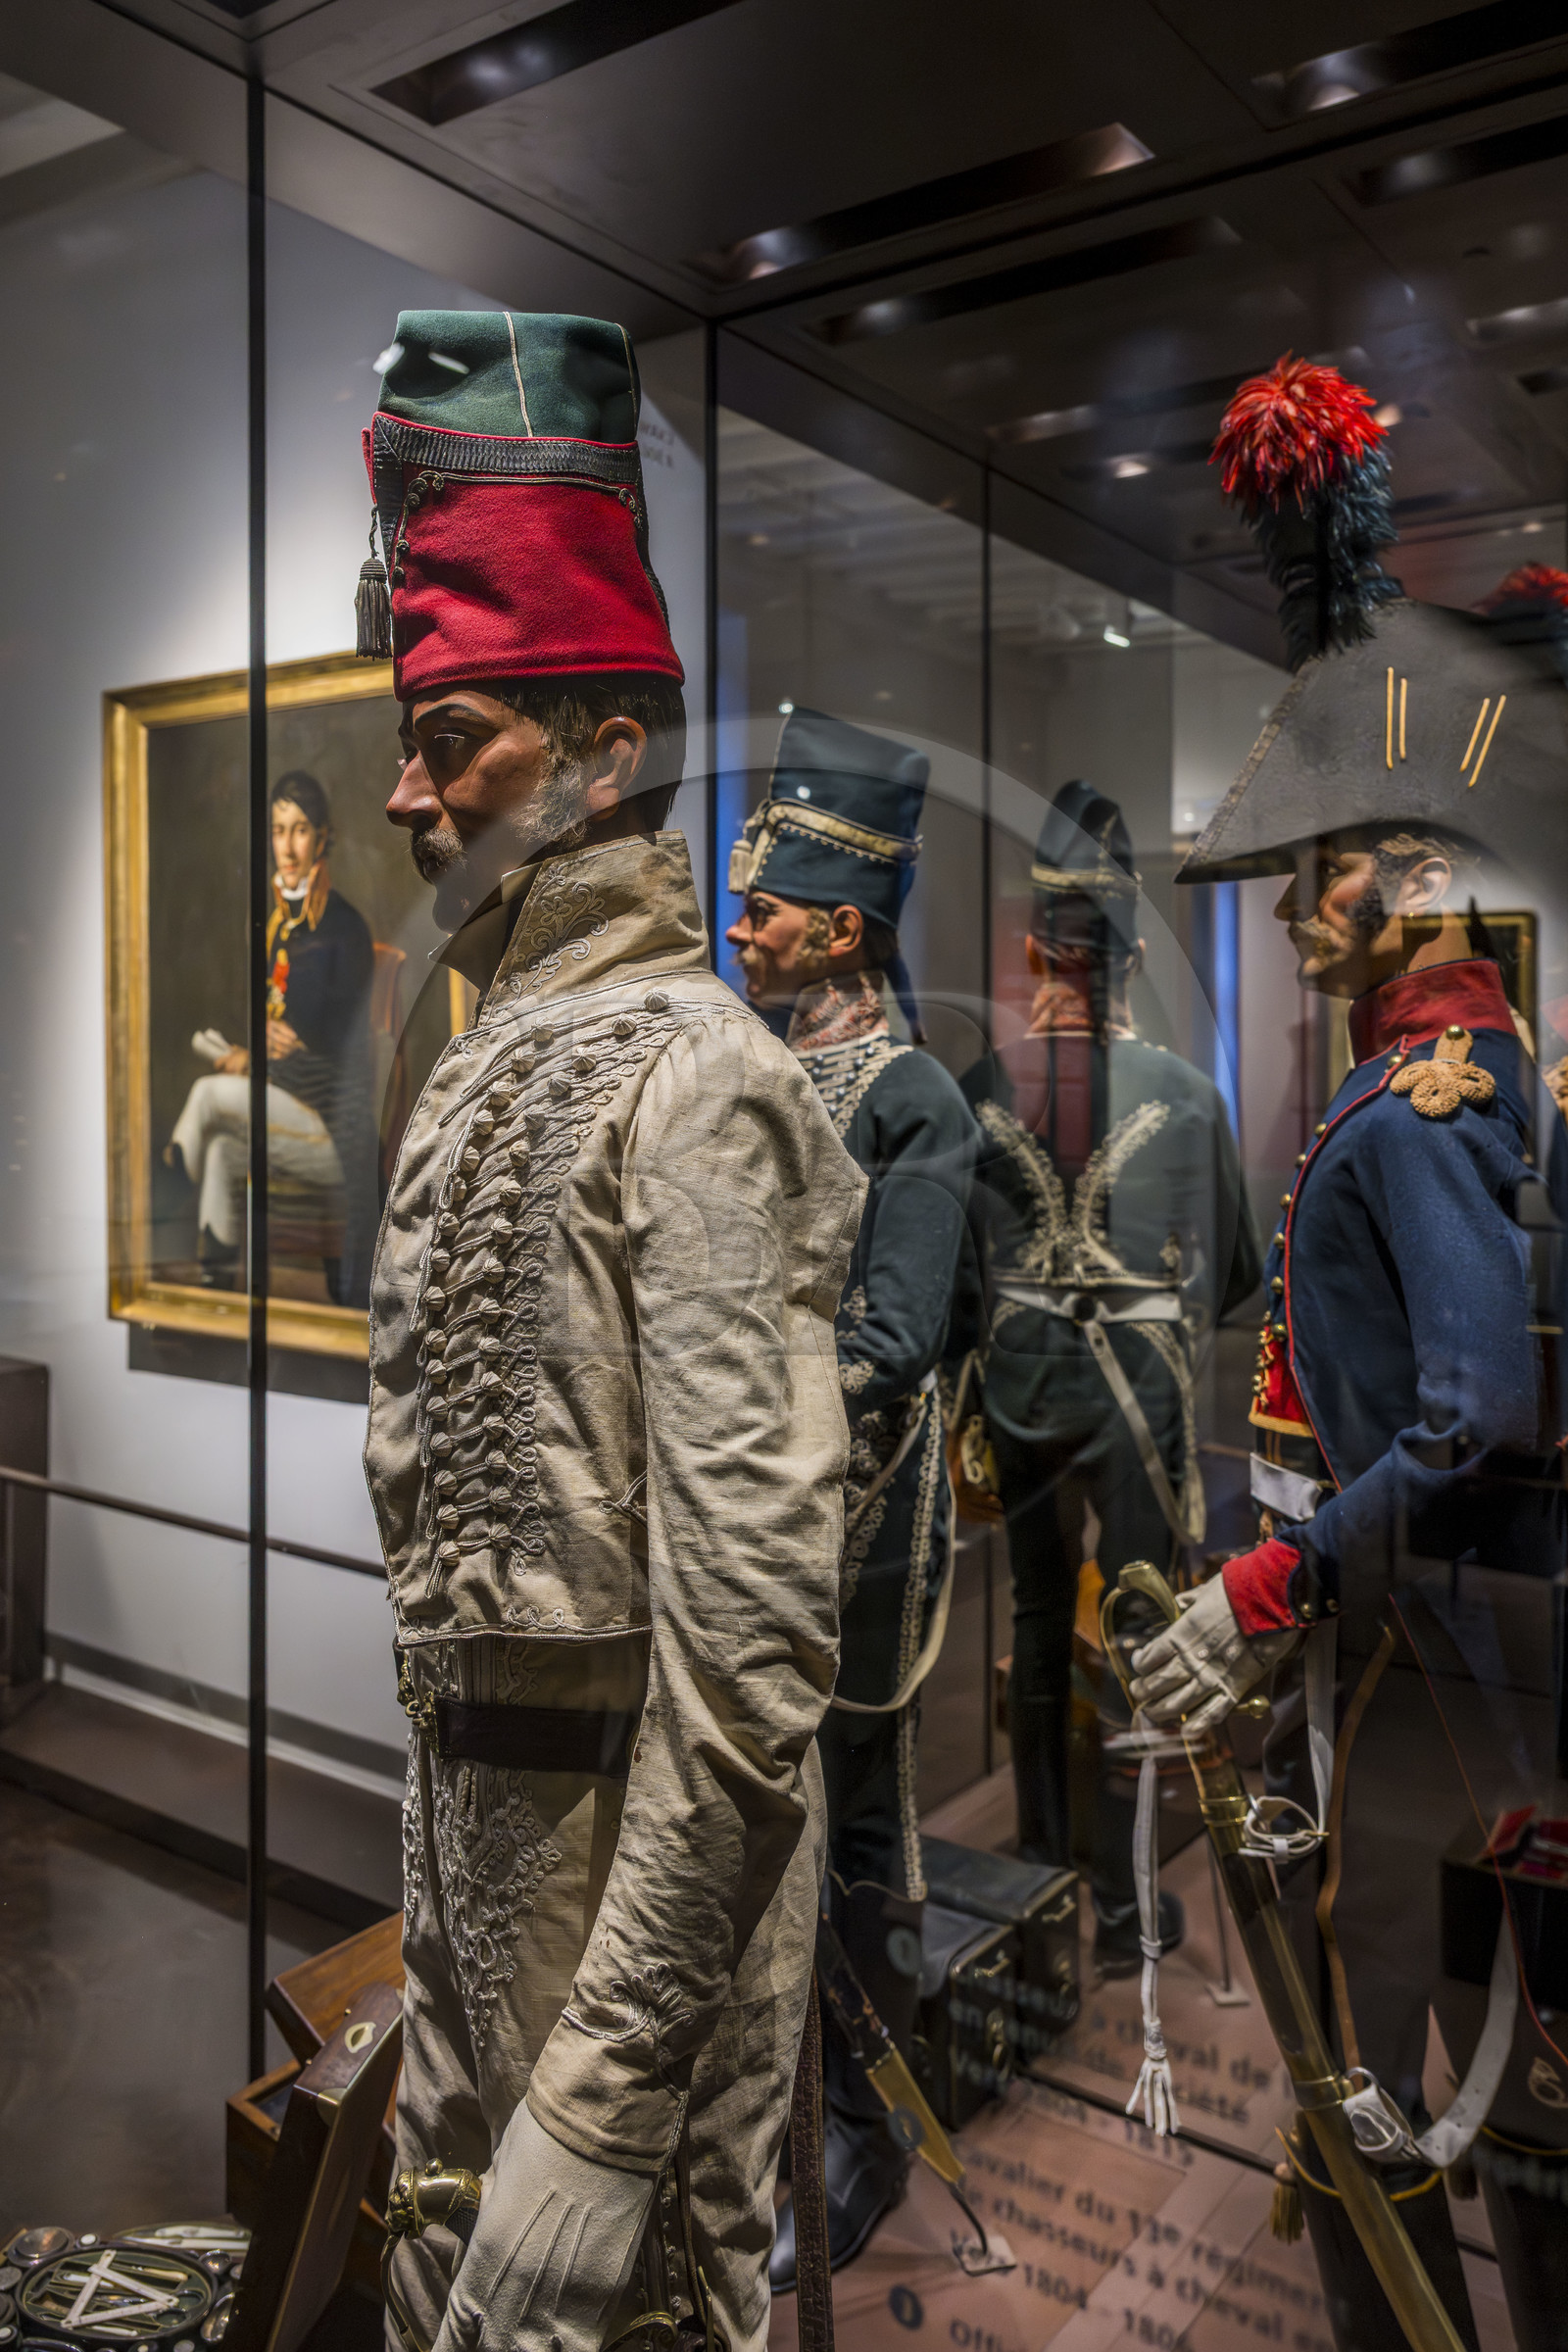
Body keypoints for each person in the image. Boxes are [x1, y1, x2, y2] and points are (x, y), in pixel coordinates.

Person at [359, 311, 864, 2352]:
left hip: (631, 1973)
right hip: (467, 1912)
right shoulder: (490, 1058)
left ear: (603, 757)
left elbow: (748, 1666)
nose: (407, 792)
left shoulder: (700, 1080)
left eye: (454, 738)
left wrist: (600, 2093)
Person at [1130, 356, 1568, 2352]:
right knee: (1408, 2067)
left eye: (1311, 872)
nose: (1286, 917)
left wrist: (1276, 1573)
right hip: (1388, 1646)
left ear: (1395, 879)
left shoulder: (1418, 1106)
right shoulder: (1420, 1079)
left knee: (1388, 2074)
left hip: (1414, 1661)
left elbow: (1475, 1412)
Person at [725, 710, 978, 2280]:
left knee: (861, 1826)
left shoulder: (916, 1105)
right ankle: (764, 2093)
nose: (739, 924)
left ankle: (870, 2127)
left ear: (841, 925)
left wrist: (732, 1405)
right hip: (743, 1511)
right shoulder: (750, 1074)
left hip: (861, 1525)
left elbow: (892, 1340)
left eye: (765, 904)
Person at [954, 778, 1258, 1973]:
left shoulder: (987, 1087)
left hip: (1020, 1396)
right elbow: (1231, 1271)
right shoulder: (1188, 1098)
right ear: (1130, 956)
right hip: (1138, 1405)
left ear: (1035, 947)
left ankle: (1036, 1885)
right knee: (1141, 1636)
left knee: (1036, 1631)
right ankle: (1127, 1915)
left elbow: (970, 1274)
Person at [166, 771, 376, 1303]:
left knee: (207, 1095)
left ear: (323, 838)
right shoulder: (278, 926)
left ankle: (163, 1196)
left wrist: (262, 1054)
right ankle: (217, 1288)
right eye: (279, 830)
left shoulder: (345, 928)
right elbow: (279, 1025)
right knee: (219, 1153)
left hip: (331, 1127)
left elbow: (341, 1042)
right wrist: (260, 1049)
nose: (287, 845)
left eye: (300, 830)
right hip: (285, 1115)